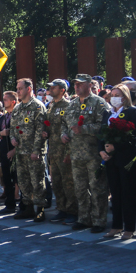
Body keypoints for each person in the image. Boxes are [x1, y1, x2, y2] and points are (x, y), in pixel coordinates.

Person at [63, 74, 111, 233]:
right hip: (76, 154)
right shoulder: (72, 104)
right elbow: (66, 124)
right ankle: (84, 218)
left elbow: (104, 126)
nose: (77, 87)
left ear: (90, 85)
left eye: (80, 84)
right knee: (80, 189)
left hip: (93, 154)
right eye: (75, 84)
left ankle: (99, 220)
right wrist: (64, 134)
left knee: (97, 188)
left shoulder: (99, 103)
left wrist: (83, 129)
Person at [101, 84, 136, 239]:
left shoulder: (132, 111)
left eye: (117, 95)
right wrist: (102, 150)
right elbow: (101, 133)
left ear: (125, 97)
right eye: (112, 95)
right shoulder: (108, 113)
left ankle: (129, 227)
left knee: (128, 193)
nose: (114, 98)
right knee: (115, 193)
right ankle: (116, 225)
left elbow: (135, 136)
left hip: (126, 159)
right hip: (110, 160)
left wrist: (116, 147)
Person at [10, 78, 47, 221]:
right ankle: (28, 207)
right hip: (20, 151)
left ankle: (40, 209)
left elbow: (40, 130)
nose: (18, 91)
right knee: (23, 182)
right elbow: (13, 127)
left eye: (20, 88)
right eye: (17, 89)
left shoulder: (37, 106)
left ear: (29, 89)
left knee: (37, 181)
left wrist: (36, 151)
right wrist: (13, 138)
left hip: (33, 152)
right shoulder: (17, 108)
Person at [45, 79, 78, 224]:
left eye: (54, 87)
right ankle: (62, 209)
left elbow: (71, 129)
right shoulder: (51, 106)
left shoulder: (68, 106)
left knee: (68, 183)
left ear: (62, 90)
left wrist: (69, 152)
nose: (50, 90)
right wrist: (45, 132)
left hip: (65, 150)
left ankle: (72, 211)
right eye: (50, 87)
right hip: (53, 150)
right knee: (57, 182)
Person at [0, 92, 18, 213]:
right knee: (7, 179)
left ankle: (23, 204)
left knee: (18, 179)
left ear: (13, 101)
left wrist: (14, 151)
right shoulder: (3, 117)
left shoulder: (17, 116)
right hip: (4, 151)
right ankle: (10, 204)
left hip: (15, 151)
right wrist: (1, 133)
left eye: (6, 100)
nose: (3, 102)